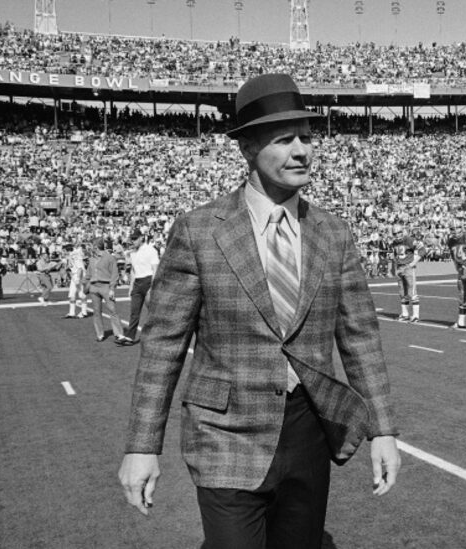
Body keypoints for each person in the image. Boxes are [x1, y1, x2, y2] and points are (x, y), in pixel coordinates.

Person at [118, 73, 400, 549]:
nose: (302, 151)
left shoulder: (334, 233)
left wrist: (383, 431)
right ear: (247, 148)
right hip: (224, 431)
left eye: (307, 137)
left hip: (309, 431)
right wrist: (142, 446)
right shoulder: (199, 230)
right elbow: (164, 344)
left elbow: (360, 337)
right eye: (284, 139)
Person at [116, 228, 159, 346]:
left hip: (148, 280)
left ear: (141, 238)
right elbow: (134, 271)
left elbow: (155, 270)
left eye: (135, 238)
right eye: (132, 239)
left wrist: (152, 287)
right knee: (134, 312)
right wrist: (131, 287)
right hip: (137, 283)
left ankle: (157, 335)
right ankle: (130, 337)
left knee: (152, 311)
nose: (133, 241)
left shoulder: (151, 250)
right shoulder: (133, 253)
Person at [86, 237, 127, 343]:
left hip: (106, 287)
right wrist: (86, 285)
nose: (89, 248)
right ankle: (100, 334)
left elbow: (114, 274)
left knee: (113, 310)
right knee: (96, 312)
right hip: (94, 287)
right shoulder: (91, 259)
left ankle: (119, 334)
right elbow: (88, 274)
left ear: (96, 246)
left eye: (91, 246)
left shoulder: (109, 258)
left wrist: (112, 288)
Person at [391, 222, 424, 322]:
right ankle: (405, 314)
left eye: (399, 232)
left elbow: (422, 250)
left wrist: (413, 262)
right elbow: (394, 256)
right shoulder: (394, 243)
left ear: (402, 231)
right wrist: (395, 266)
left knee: (412, 291)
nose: (397, 235)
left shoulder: (409, 240)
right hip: (399, 267)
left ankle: (415, 315)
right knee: (402, 292)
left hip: (408, 267)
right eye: (395, 233)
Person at [63, 243, 89, 319]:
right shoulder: (69, 256)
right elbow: (69, 269)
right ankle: (72, 313)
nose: (63, 252)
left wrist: (77, 278)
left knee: (81, 295)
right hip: (74, 277)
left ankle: (84, 312)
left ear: (67, 250)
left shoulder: (76, 255)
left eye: (64, 250)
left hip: (79, 276)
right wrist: (72, 277)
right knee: (71, 295)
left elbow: (80, 268)